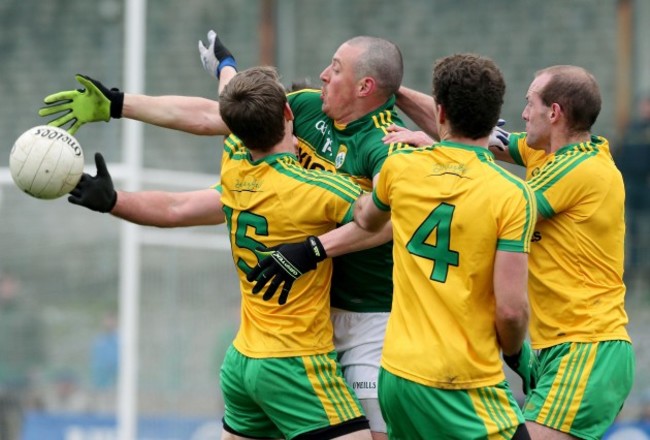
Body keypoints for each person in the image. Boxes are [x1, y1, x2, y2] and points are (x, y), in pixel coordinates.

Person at [39, 32, 408, 439]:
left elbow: (187, 187)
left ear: (364, 87)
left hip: (296, 342)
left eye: (335, 69)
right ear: (288, 114)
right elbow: (381, 212)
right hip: (297, 352)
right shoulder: (316, 183)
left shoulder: (238, 164)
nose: (322, 75)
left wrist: (114, 197)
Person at [399, 64, 636, 439]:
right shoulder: (545, 153)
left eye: (530, 104)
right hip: (563, 348)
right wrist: (394, 90)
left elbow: (496, 200)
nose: (523, 114)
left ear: (554, 113)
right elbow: (466, 131)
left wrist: (435, 155)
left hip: (587, 348)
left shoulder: (583, 169)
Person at [349, 53, 534, 438]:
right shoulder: (512, 194)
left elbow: (366, 218)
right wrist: (517, 355)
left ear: (440, 112)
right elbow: (512, 311)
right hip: (463, 382)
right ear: (495, 114)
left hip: (398, 376)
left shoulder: (401, 168)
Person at [0, 271, 46, 440]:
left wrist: (35, 371)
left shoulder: (26, 314)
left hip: (17, 381)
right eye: (3, 284)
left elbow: (38, 347)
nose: (6, 288)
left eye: (10, 284)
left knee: (13, 425)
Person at [614, 93, 650, 277]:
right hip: (632, 186)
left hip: (646, 186)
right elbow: (621, 154)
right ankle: (634, 268)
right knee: (633, 229)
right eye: (645, 105)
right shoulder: (633, 129)